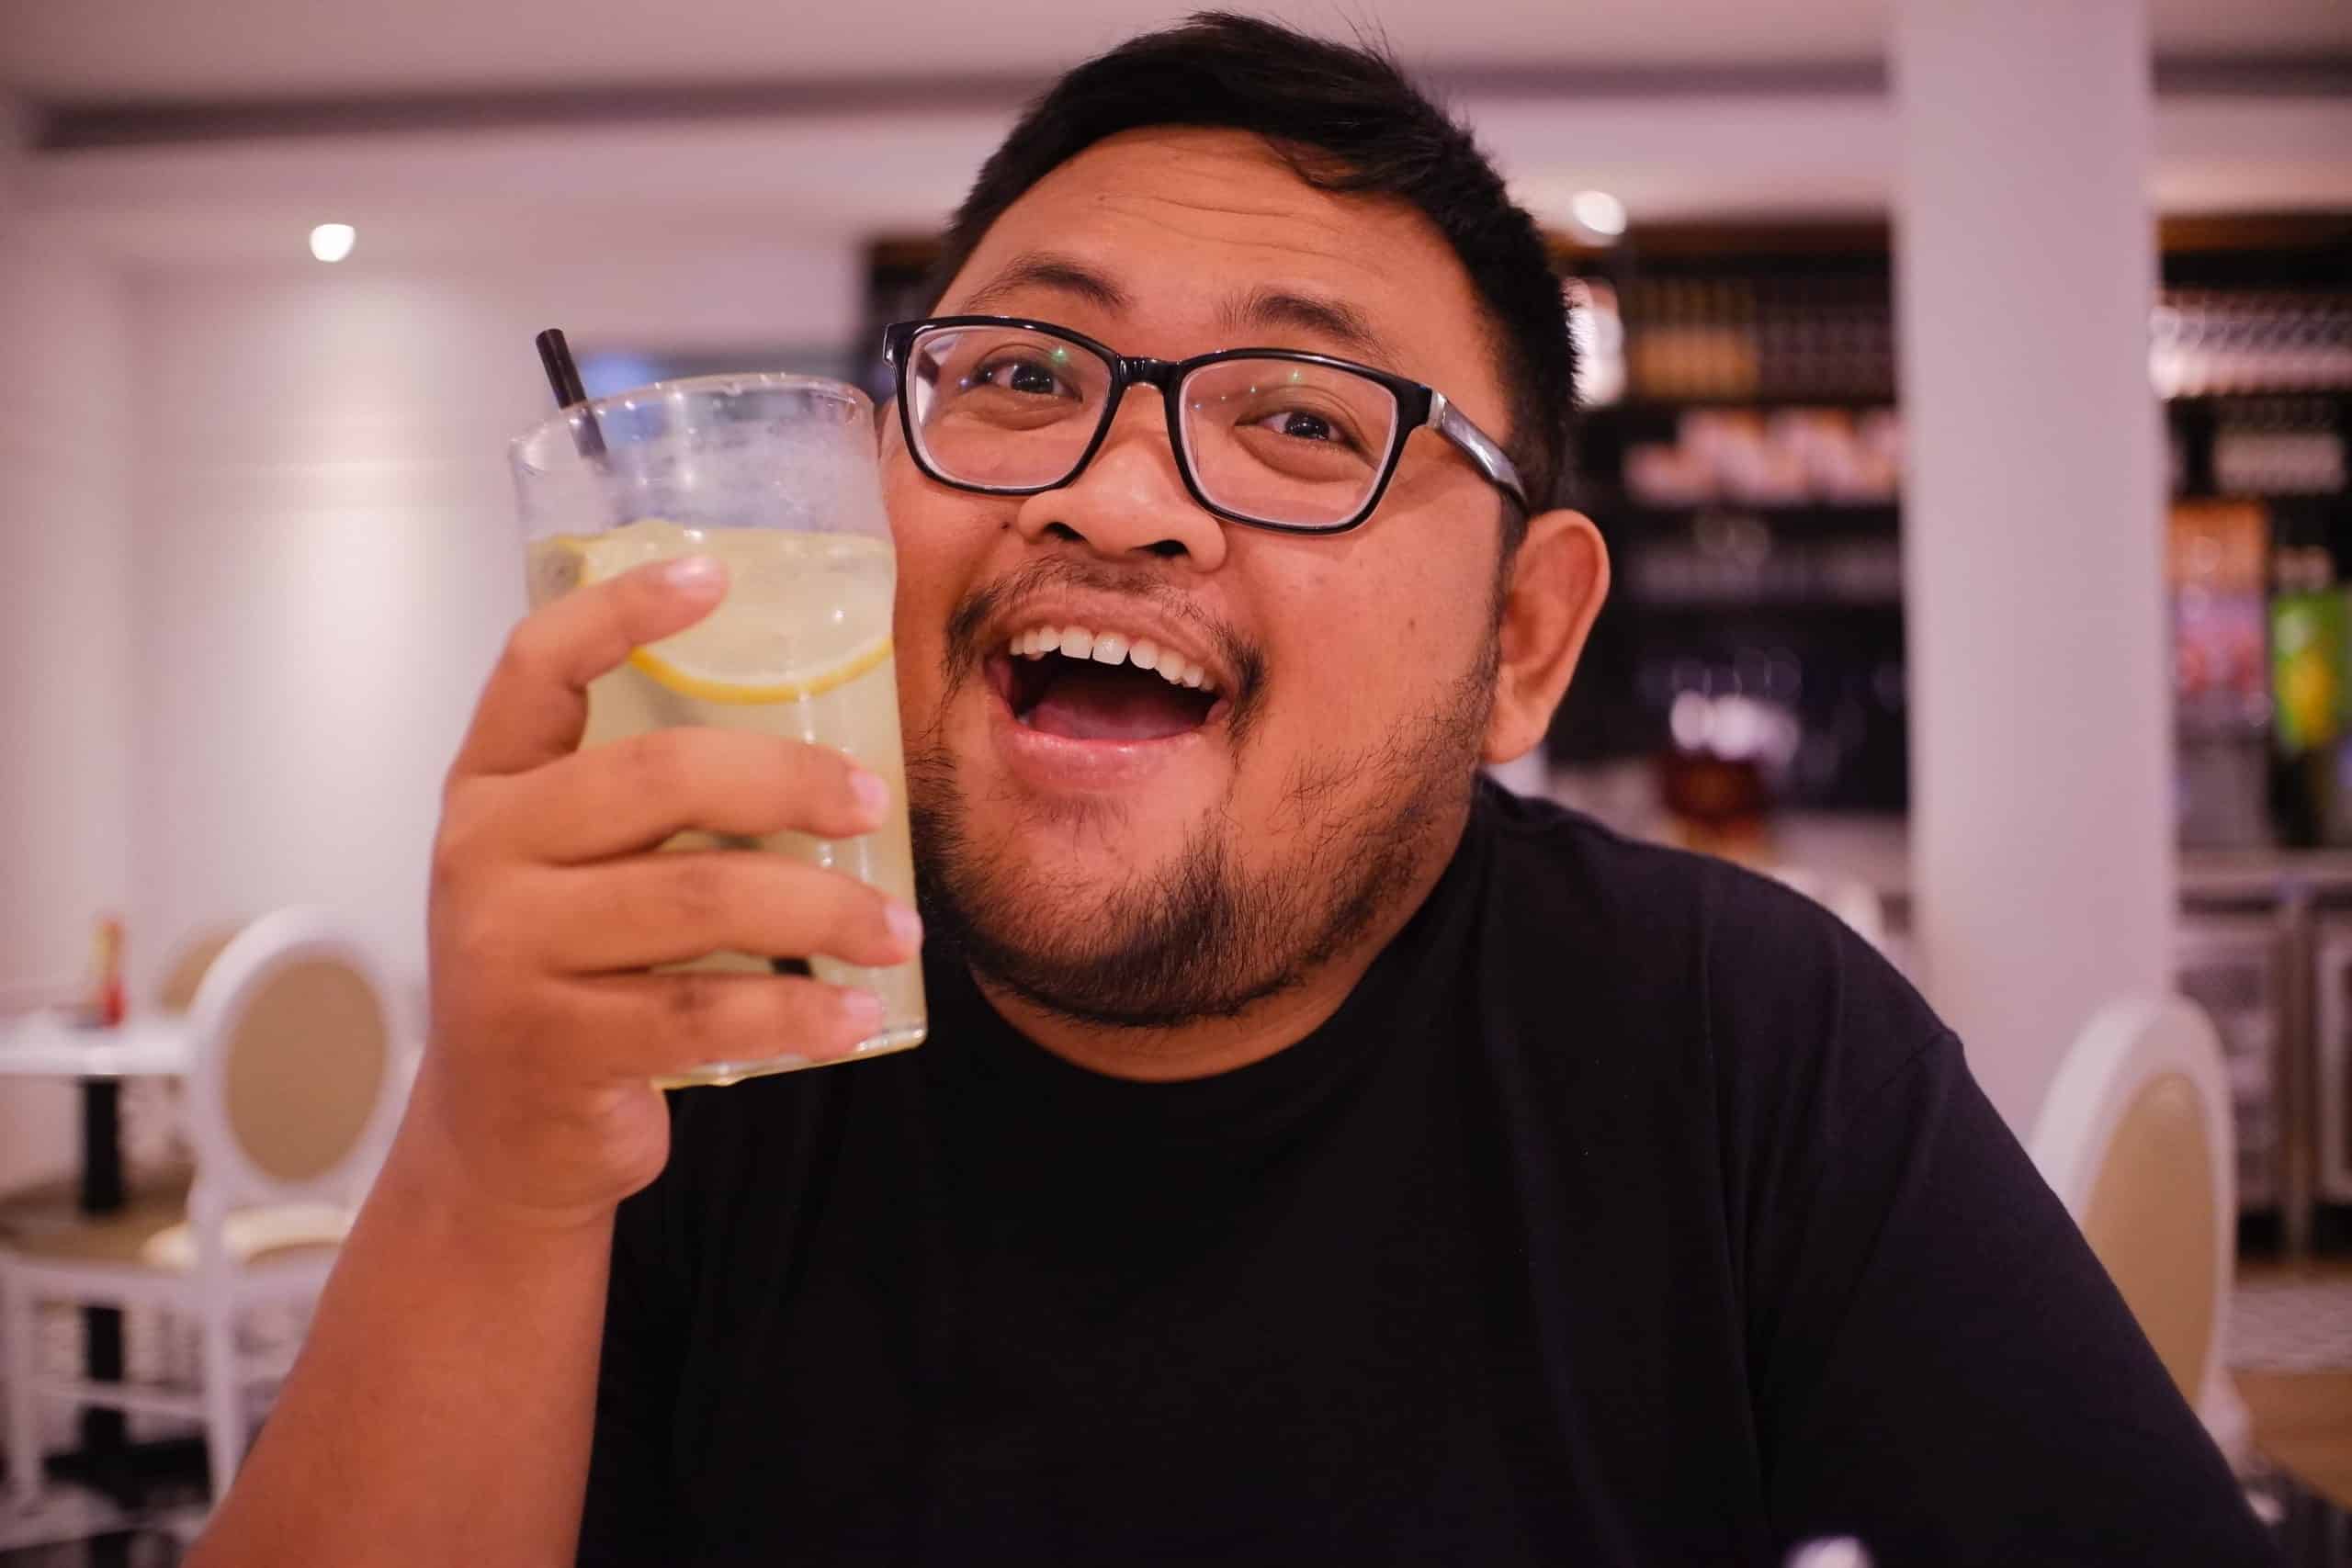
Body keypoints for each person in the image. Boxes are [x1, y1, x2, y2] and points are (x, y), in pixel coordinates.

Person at [191, 15, 2275, 1567]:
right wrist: (494, 1154)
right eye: (1015, 372)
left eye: (1299, 415)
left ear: (1523, 648)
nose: (1113, 490)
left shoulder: (1735, 1044)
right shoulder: (702, 1042)